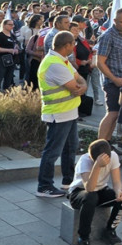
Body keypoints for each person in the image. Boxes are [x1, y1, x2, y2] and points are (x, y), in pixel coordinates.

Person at [36, 31, 88, 197]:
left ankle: (68, 182)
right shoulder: (55, 64)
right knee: (52, 151)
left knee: (70, 148)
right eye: (72, 43)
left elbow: (80, 80)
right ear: (66, 46)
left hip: (69, 112)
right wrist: (81, 87)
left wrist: (83, 86)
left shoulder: (61, 60)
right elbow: (75, 86)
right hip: (58, 114)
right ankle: (44, 186)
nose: (74, 46)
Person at [67, 139, 122, 245]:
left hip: (100, 190)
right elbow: (89, 188)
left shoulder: (113, 156)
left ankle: (110, 231)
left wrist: (118, 191)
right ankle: (83, 239)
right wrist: (96, 166)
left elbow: (116, 181)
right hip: (79, 193)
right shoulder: (84, 161)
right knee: (91, 197)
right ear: (91, 158)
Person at [95, 9, 122, 143]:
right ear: (115, 21)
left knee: (117, 114)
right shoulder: (108, 36)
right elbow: (100, 62)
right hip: (113, 82)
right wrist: (114, 79)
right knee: (112, 113)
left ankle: (107, 143)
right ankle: (99, 146)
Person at [0, 19, 19, 92]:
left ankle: (6, 93)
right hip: (0, 59)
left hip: (11, 59)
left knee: (9, 77)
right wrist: (8, 50)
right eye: (10, 25)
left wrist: (16, 49)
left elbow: (15, 44)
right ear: (4, 25)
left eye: (13, 25)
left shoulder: (12, 35)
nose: (12, 26)